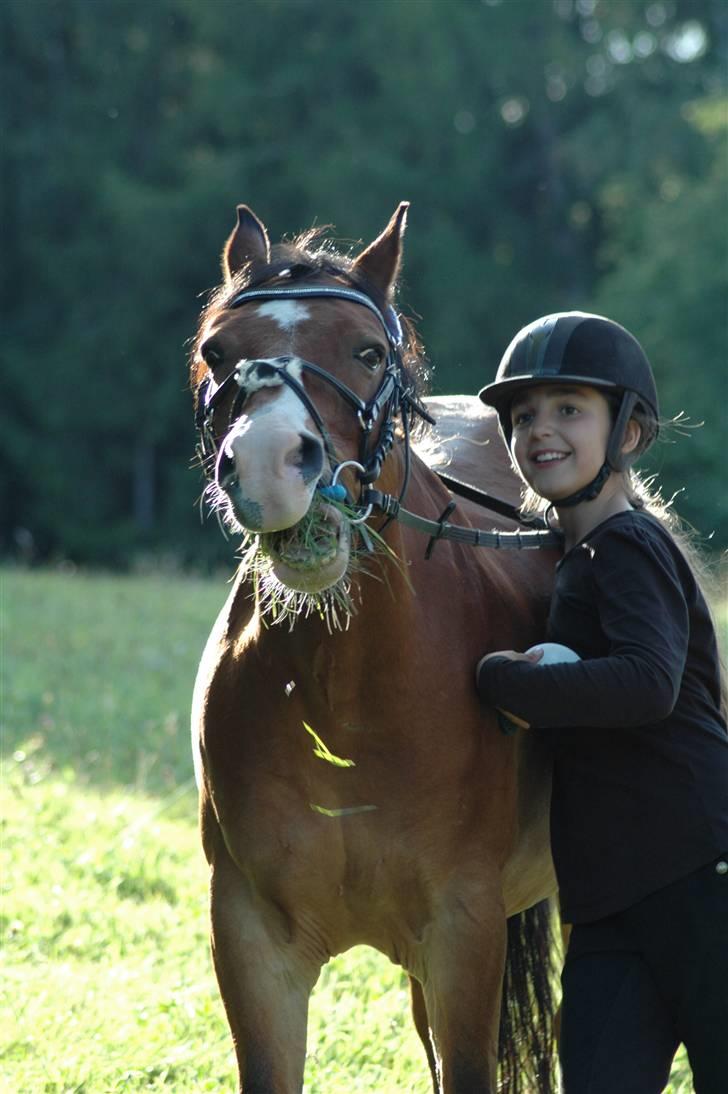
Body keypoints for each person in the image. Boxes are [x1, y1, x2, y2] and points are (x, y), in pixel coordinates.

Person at [474, 312, 728, 1094]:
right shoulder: (578, 555)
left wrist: (503, 681)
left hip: (699, 878)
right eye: (523, 417)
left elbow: (649, 682)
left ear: (630, 433)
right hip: (611, 901)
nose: (539, 432)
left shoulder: (624, 543)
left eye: (568, 410)